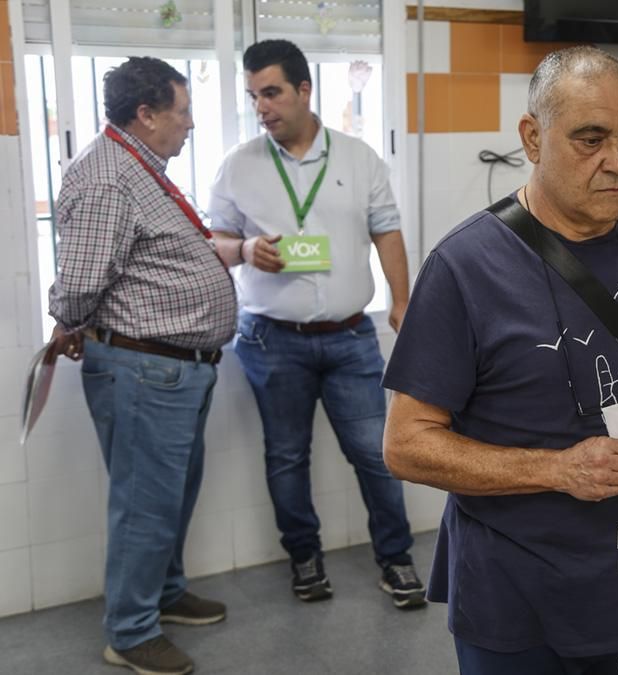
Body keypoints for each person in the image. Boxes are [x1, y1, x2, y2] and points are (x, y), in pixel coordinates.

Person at [381, 46, 618, 674]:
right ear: (533, 138)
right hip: (517, 599)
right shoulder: (464, 266)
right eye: (590, 140)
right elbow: (406, 444)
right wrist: (557, 470)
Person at [208, 39, 425, 609]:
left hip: (351, 337)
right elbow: (215, 241)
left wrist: (402, 301)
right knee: (286, 455)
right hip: (271, 340)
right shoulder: (239, 166)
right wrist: (247, 248)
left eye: (272, 92)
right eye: (254, 96)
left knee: (376, 453)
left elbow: (387, 231)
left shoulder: (358, 159)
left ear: (305, 90)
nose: (262, 106)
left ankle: (396, 560)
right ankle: (304, 558)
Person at [47, 57, 236, 675]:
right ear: (146, 114)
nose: (188, 126)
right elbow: (77, 285)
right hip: (142, 369)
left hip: (175, 367)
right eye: (182, 114)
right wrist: (70, 321)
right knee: (145, 504)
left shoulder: (139, 168)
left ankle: (164, 592)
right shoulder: (108, 177)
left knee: (171, 496)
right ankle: (129, 632)